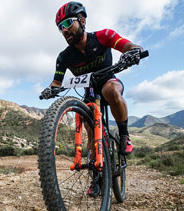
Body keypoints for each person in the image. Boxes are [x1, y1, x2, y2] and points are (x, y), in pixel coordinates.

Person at [40, 1, 144, 157]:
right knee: (89, 126)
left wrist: (134, 51)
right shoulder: (63, 57)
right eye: (60, 27)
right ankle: (95, 171)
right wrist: (50, 90)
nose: (64, 30)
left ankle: (124, 135)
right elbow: (56, 83)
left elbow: (128, 46)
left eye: (68, 23)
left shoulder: (103, 36)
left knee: (110, 90)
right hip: (90, 93)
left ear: (82, 20)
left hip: (109, 82)